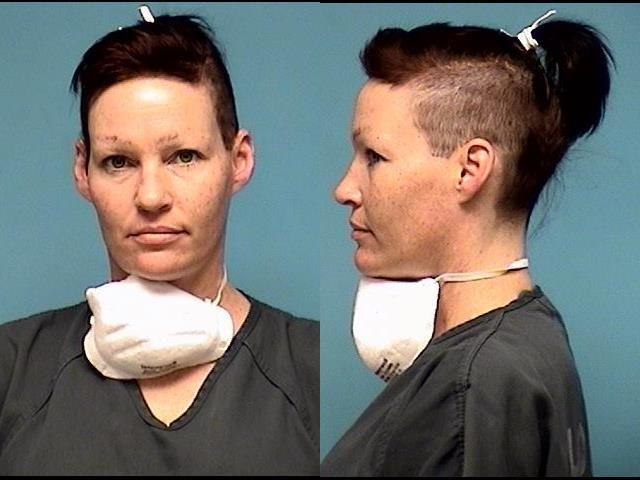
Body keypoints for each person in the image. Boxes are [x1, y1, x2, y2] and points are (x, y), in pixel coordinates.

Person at [0, 7, 318, 475]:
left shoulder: (310, 368)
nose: (151, 197)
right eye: (119, 162)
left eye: (183, 157)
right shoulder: (11, 370)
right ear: (82, 170)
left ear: (239, 160)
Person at [321, 10, 613, 477]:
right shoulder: (530, 339)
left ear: (470, 169)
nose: (344, 189)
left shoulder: (475, 383)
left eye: (374, 156)